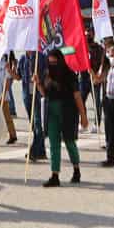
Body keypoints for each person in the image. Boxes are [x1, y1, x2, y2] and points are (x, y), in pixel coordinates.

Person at [38, 48, 87, 187]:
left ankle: (76, 169)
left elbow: (77, 96)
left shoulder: (70, 75)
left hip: (67, 111)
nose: (52, 65)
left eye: (55, 62)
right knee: (54, 143)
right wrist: (38, 84)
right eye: (50, 62)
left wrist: (83, 115)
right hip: (51, 111)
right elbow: (45, 94)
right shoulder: (47, 74)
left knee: (70, 141)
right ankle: (55, 175)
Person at [17, 49, 47, 160]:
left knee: (38, 123)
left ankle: (34, 151)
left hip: (38, 94)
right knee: (33, 124)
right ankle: (41, 151)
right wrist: (9, 71)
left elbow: (46, 73)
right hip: (27, 95)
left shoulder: (41, 57)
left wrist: (39, 80)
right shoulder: (23, 59)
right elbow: (18, 76)